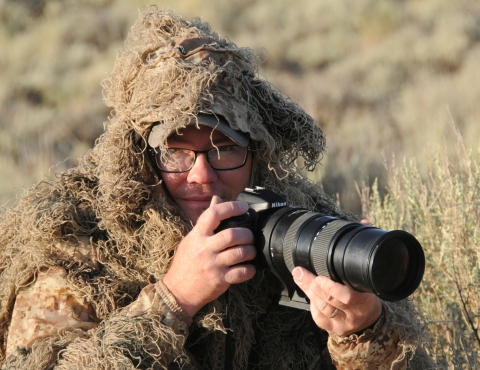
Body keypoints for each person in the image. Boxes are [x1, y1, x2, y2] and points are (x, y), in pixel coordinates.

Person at [0, 7, 435, 370]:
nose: (202, 176)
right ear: (136, 159)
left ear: (256, 151)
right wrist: (174, 299)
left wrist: (363, 329)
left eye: (224, 147)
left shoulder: (292, 226)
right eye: (176, 152)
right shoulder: (77, 248)